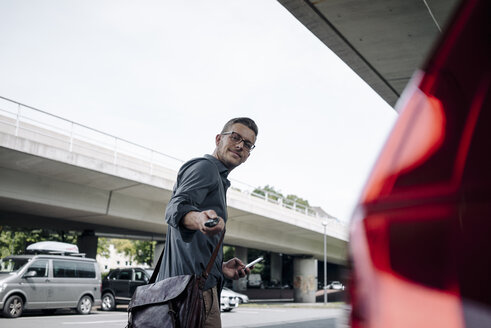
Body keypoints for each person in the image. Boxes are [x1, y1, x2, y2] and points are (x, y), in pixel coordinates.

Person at [157, 117, 258, 328]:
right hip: (191, 296)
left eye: (248, 144)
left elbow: (190, 248)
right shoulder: (206, 168)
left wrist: (219, 268)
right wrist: (199, 219)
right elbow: (175, 208)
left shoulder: (219, 179)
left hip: (191, 291)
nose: (240, 145)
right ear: (219, 139)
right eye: (235, 137)